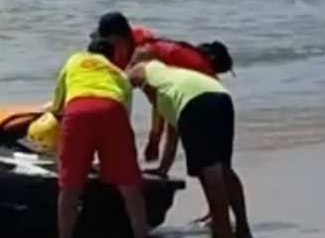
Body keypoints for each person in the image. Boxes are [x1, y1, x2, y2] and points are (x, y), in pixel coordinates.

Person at [129, 52, 255, 238]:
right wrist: (162, 169)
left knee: (210, 173)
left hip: (194, 104)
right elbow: (173, 135)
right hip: (220, 96)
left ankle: (224, 237)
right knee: (222, 168)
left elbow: (129, 77)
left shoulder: (149, 68)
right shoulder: (171, 85)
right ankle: (242, 228)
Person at [49, 38, 154, 238]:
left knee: (69, 187)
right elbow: (123, 117)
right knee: (130, 187)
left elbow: (57, 106)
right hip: (112, 109)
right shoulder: (119, 74)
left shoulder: (74, 60)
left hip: (77, 110)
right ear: (111, 57)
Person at [93, 11, 234, 161]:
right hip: (215, 100)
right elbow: (163, 104)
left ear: (118, 39)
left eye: (105, 41)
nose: (104, 47)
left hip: (202, 101)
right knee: (217, 165)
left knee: (208, 165)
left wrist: (154, 139)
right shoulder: (147, 51)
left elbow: (151, 101)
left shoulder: (142, 55)